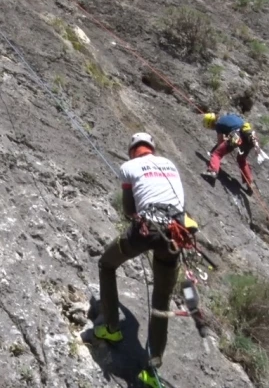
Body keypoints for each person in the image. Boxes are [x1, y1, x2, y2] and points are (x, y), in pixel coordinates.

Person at [93, 132, 190, 388]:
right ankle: (152, 371)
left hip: (145, 230)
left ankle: (111, 328)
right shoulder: (170, 165)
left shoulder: (129, 167)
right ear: (152, 149)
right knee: (161, 302)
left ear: (132, 150)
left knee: (106, 264)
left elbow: (128, 211)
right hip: (174, 233)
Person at [202, 112, 260, 193]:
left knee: (217, 154)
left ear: (210, 124)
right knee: (241, 160)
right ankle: (250, 183)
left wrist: (214, 151)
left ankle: (212, 172)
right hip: (248, 137)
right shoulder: (230, 116)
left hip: (237, 136)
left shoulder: (218, 124)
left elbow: (220, 143)